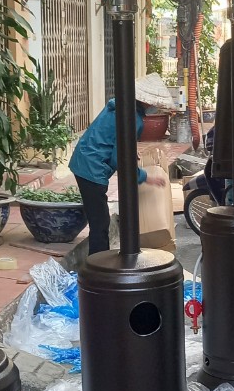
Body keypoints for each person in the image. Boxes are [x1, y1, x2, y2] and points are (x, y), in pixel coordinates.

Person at [69, 74, 169, 256]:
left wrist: (130, 151)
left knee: (99, 219)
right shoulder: (133, 119)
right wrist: (145, 177)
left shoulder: (119, 107)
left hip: (84, 160)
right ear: (146, 101)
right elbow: (120, 159)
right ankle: (98, 263)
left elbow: (112, 139)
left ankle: (98, 261)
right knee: (100, 224)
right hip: (91, 167)